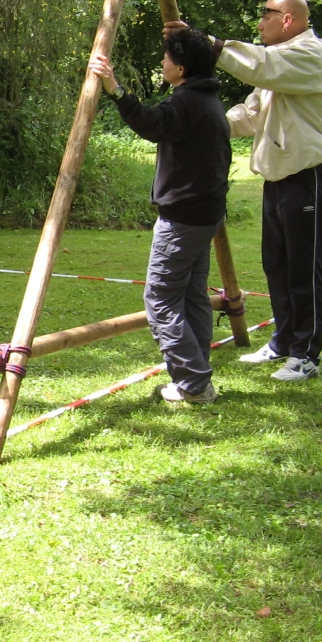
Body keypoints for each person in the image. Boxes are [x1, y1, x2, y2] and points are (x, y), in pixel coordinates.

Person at [171, 0, 322, 383]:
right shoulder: (279, 65)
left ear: (288, 19)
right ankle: (283, 341)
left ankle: (306, 355)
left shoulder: (309, 54)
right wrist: (202, 120)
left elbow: (261, 67)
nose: (259, 23)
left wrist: (204, 43)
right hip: (279, 178)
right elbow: (249, 114)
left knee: (304, 268)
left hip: (309, 175)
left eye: (265, 14)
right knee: (277, 266)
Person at [89, 28, 232, 403]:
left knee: (162, 299)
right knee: (192, 296)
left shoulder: (188, 102)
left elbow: (151, 124)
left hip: (185, 217)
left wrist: (114, 89)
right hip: (206, 213)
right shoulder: (206, 99)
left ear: (181, 67)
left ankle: (194, 384)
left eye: (166, 58)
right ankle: (196, 377)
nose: (161, 62)